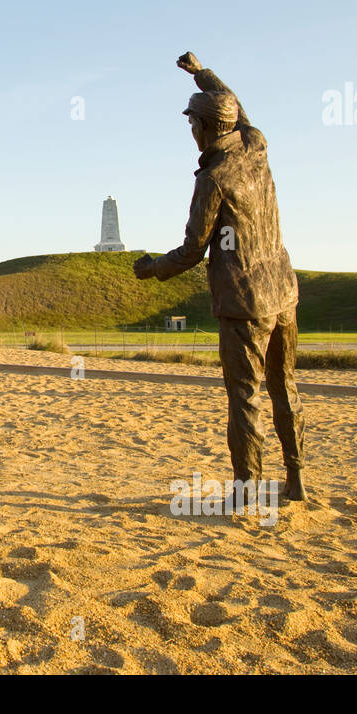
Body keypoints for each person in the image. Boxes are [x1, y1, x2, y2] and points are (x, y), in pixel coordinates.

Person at [134, 52, 307, 502]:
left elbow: (193, 250)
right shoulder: (255, 143)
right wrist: (200, 73)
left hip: (245, 302)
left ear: (208, 127)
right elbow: (237, 106)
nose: (191, 131)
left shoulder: (214, 178)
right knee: (284, 386)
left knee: (246, 396)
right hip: (283, 292)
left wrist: (152, 269)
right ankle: (296, 479)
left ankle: (248, 491)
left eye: (192, 123)